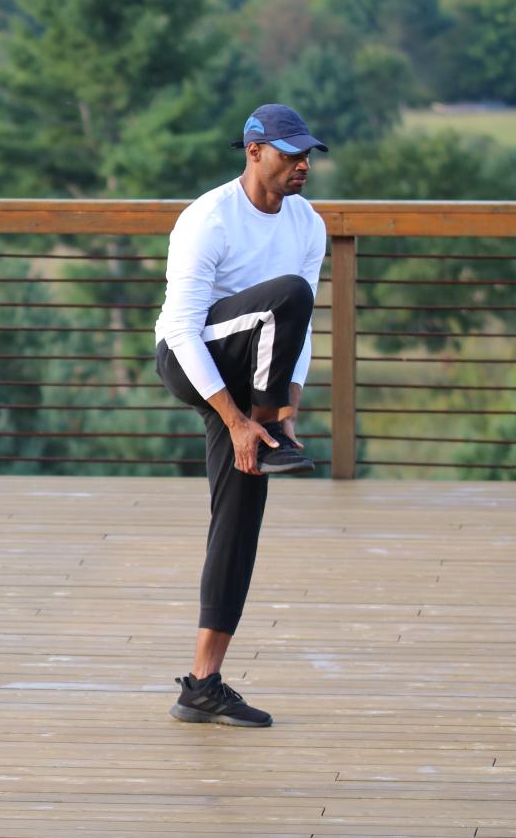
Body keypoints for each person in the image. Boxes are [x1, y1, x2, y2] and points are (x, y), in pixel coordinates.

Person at [153, 104, 327, 728]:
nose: (302, 165)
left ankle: (202, 683)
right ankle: (261, 430)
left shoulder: (309, 224)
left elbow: (296, 333)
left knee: (239, 524)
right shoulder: (209, 218)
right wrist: (237, 419)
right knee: (288, 293)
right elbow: (179, 327)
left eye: (307, 154)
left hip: (254, 381)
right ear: (253, 151)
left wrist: (283, 412)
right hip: (192, 360)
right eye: (289, 154)